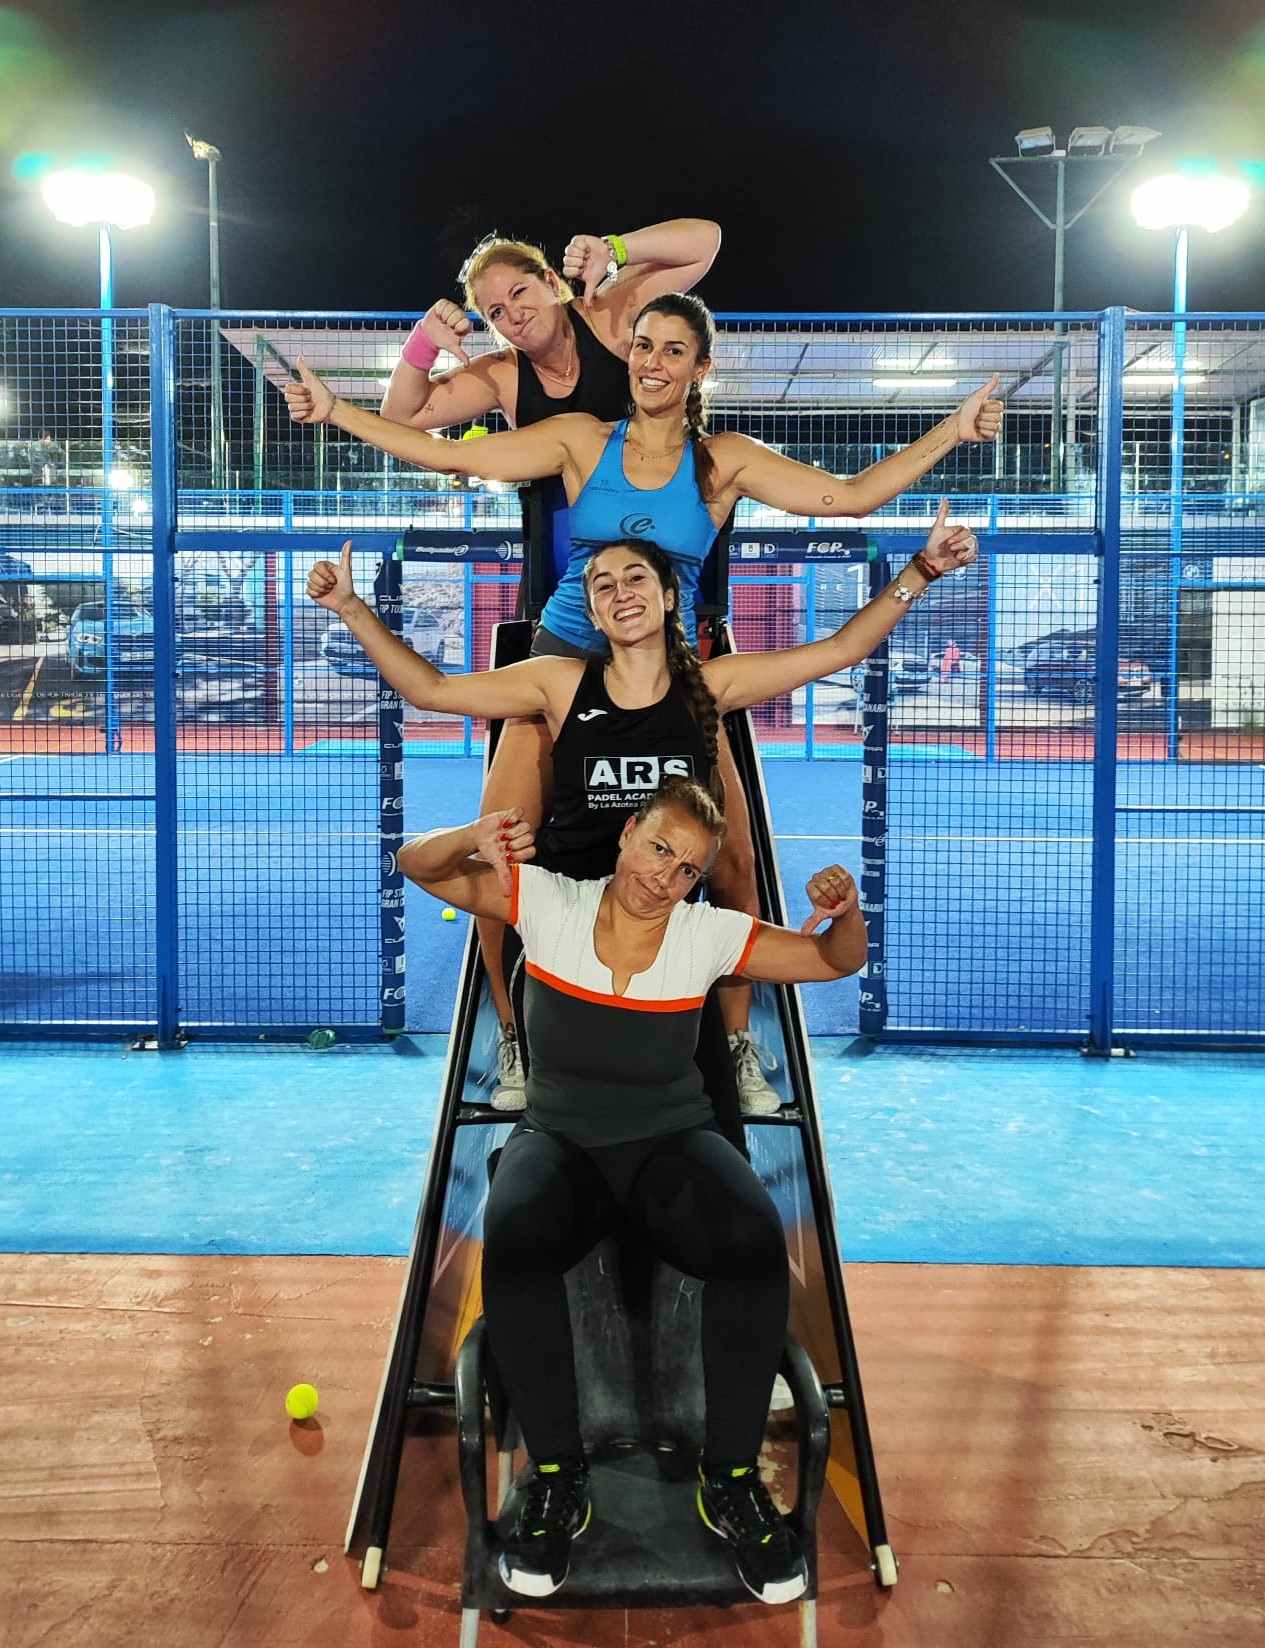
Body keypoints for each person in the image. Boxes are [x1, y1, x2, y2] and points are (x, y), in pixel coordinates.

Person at [286, 293, 1000, 1102]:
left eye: (671, 350)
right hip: (565, 659)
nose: (651, 363)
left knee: (732, 858)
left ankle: (736, 1042)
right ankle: (513, 1038)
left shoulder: (721, 461)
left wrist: (954, 430)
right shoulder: (581, 441)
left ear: (700, 368)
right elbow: (441, 454)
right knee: (502, 847)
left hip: (671, 674)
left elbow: (852, 496)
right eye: (641, 346)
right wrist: (334, 411)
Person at [306, 511, 978, 1111]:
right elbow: (431, 689)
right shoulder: (558, 683)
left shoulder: (710, 685)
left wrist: (922, 570)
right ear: (593, 615)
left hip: (663, 917)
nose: (620, 592)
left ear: (667, 597)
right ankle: (515, 1040)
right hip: (568, 913)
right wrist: (350, 607)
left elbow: (841, 650)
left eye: (635, 579)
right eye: (603, 586)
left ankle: (736, 1043)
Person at [398, 774, 868, 1604]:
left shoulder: (706, 935)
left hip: (668, 1143)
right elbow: (416, 863)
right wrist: (473, 834)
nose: (664, 876)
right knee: (515, 1234)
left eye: (686, 868)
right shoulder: (547, 903)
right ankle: (554, 1478)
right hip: (560, 1139)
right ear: (625, 836)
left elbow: (835, 961)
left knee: (752, 1239)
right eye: (657, 848)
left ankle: (729, 1478)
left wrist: (845, 913)